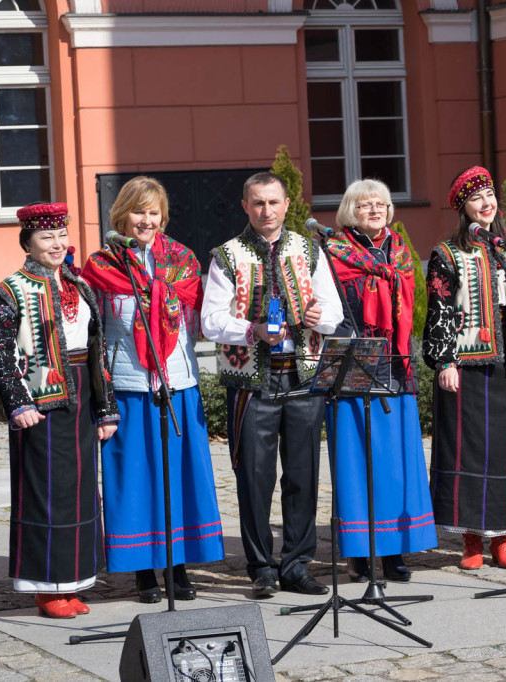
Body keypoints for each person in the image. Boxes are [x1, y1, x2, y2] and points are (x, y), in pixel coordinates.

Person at [81, 177, 224, 603]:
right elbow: (97, 337)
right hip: (128, 387)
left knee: (179, 478)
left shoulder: (181, 260)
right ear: (121, 215)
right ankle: (143, 572)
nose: (147, 220)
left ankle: (177, 566)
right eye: (138, 211)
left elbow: (197, 322)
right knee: (136, 480)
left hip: (177, 385)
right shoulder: (101, 265)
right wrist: (101, 394)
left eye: (154, 212)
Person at [201, 172, 343, 596]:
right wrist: (252, 330)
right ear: (246, 205)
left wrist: (322, 319)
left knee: (302, 475)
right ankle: (261, 566)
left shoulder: (309, 248)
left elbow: (333, 311)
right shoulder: (226, 255)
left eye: (274, 202)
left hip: (303, 373)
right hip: (251, 381)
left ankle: (297, 564)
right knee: (255, 477)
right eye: (258, 203)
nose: (267, 211)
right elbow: (209, 320)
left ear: (286, 204)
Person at [0, 202, 119, 618]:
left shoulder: (78, 285)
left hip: (81, 390)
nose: (58, 243)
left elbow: (96, 348)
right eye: (47, 237)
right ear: (27, 242)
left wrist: (106, 409)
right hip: (41, 401)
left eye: (62, 235)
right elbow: (0, 354)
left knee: (79, 491)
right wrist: (17, 403)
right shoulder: (9, 290)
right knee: (46, 491)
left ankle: (73, 582)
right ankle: (46, 589)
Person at [423, 166, 506, 569]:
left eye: (490, 195)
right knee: (467, 450)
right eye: (476, 198)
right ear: (463, 208)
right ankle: (471, 539)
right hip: (466, 365)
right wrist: (444, 360)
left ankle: (504, 538)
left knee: (505, 453)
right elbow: (439, 311)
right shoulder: (447, 254)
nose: (486, 203)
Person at [321, 179, 436, 583]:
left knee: (395, 464)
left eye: (382, 204)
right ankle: (358, 550)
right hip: (353, 359)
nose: (376, 210)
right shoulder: (332, 251)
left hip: (395, 362)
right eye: (366, 204)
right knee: (355, 462)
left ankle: (393, 551)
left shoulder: (400, 253)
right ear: (350, 210)